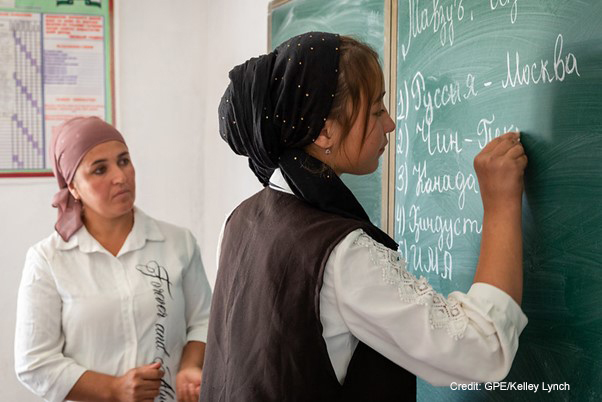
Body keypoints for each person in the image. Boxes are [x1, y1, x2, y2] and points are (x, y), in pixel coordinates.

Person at [200, 32, 528, 401]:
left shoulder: (239, 220)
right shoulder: (340, 254)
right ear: (325, 131)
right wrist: (502, 207)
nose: (389, 124)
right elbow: (482, 351)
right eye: (376, 110)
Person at [14, 117, 212, 402]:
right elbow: (34, 363)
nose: (120, 177)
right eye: (99, 170)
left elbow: (203, 320)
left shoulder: (178, 244)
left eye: (124, 161)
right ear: (73, 187)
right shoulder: (48, 259)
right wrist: (114, 389)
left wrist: (190, 367)